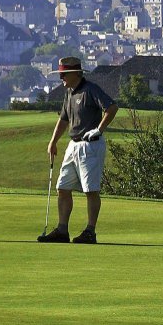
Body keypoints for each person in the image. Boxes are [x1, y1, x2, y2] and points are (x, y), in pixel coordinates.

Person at [38, 56, 117, 244]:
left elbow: (112, 107)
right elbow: (63, 119)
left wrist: (99, 129)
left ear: (75, 73)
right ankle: (62, 230)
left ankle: (90, 231)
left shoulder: (90, 89)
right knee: (62, 187)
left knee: (91, 190)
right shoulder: (69, 93)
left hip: (90, 145)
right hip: (73, 145)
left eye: (64, 74)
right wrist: (53, 141)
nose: (61, 78)